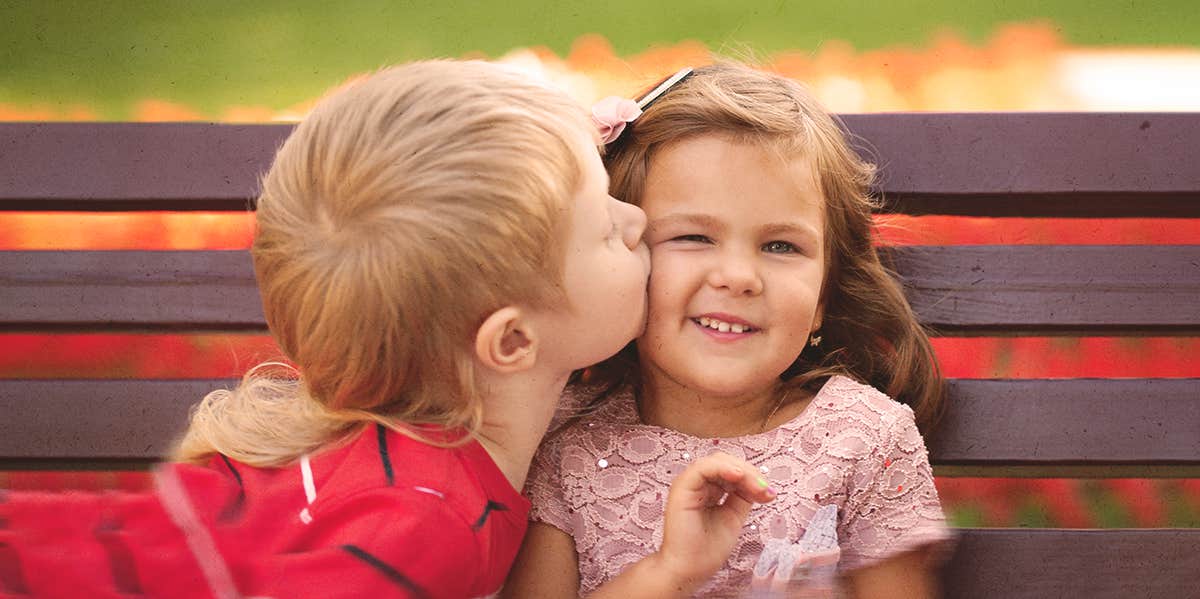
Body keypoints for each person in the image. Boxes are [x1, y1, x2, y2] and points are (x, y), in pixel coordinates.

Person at [0, 61, 775, 599]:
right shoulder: (423, 518)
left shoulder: (412, 458)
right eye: (605, 227)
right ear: (510, 342)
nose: (638, 218)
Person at [507, 63, 954, 599]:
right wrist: (669, 573)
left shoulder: (864, 439)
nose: (739, 277)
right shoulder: (566, 440)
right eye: (694, 236)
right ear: (621, 255)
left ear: (823, 298)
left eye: (781, 246)